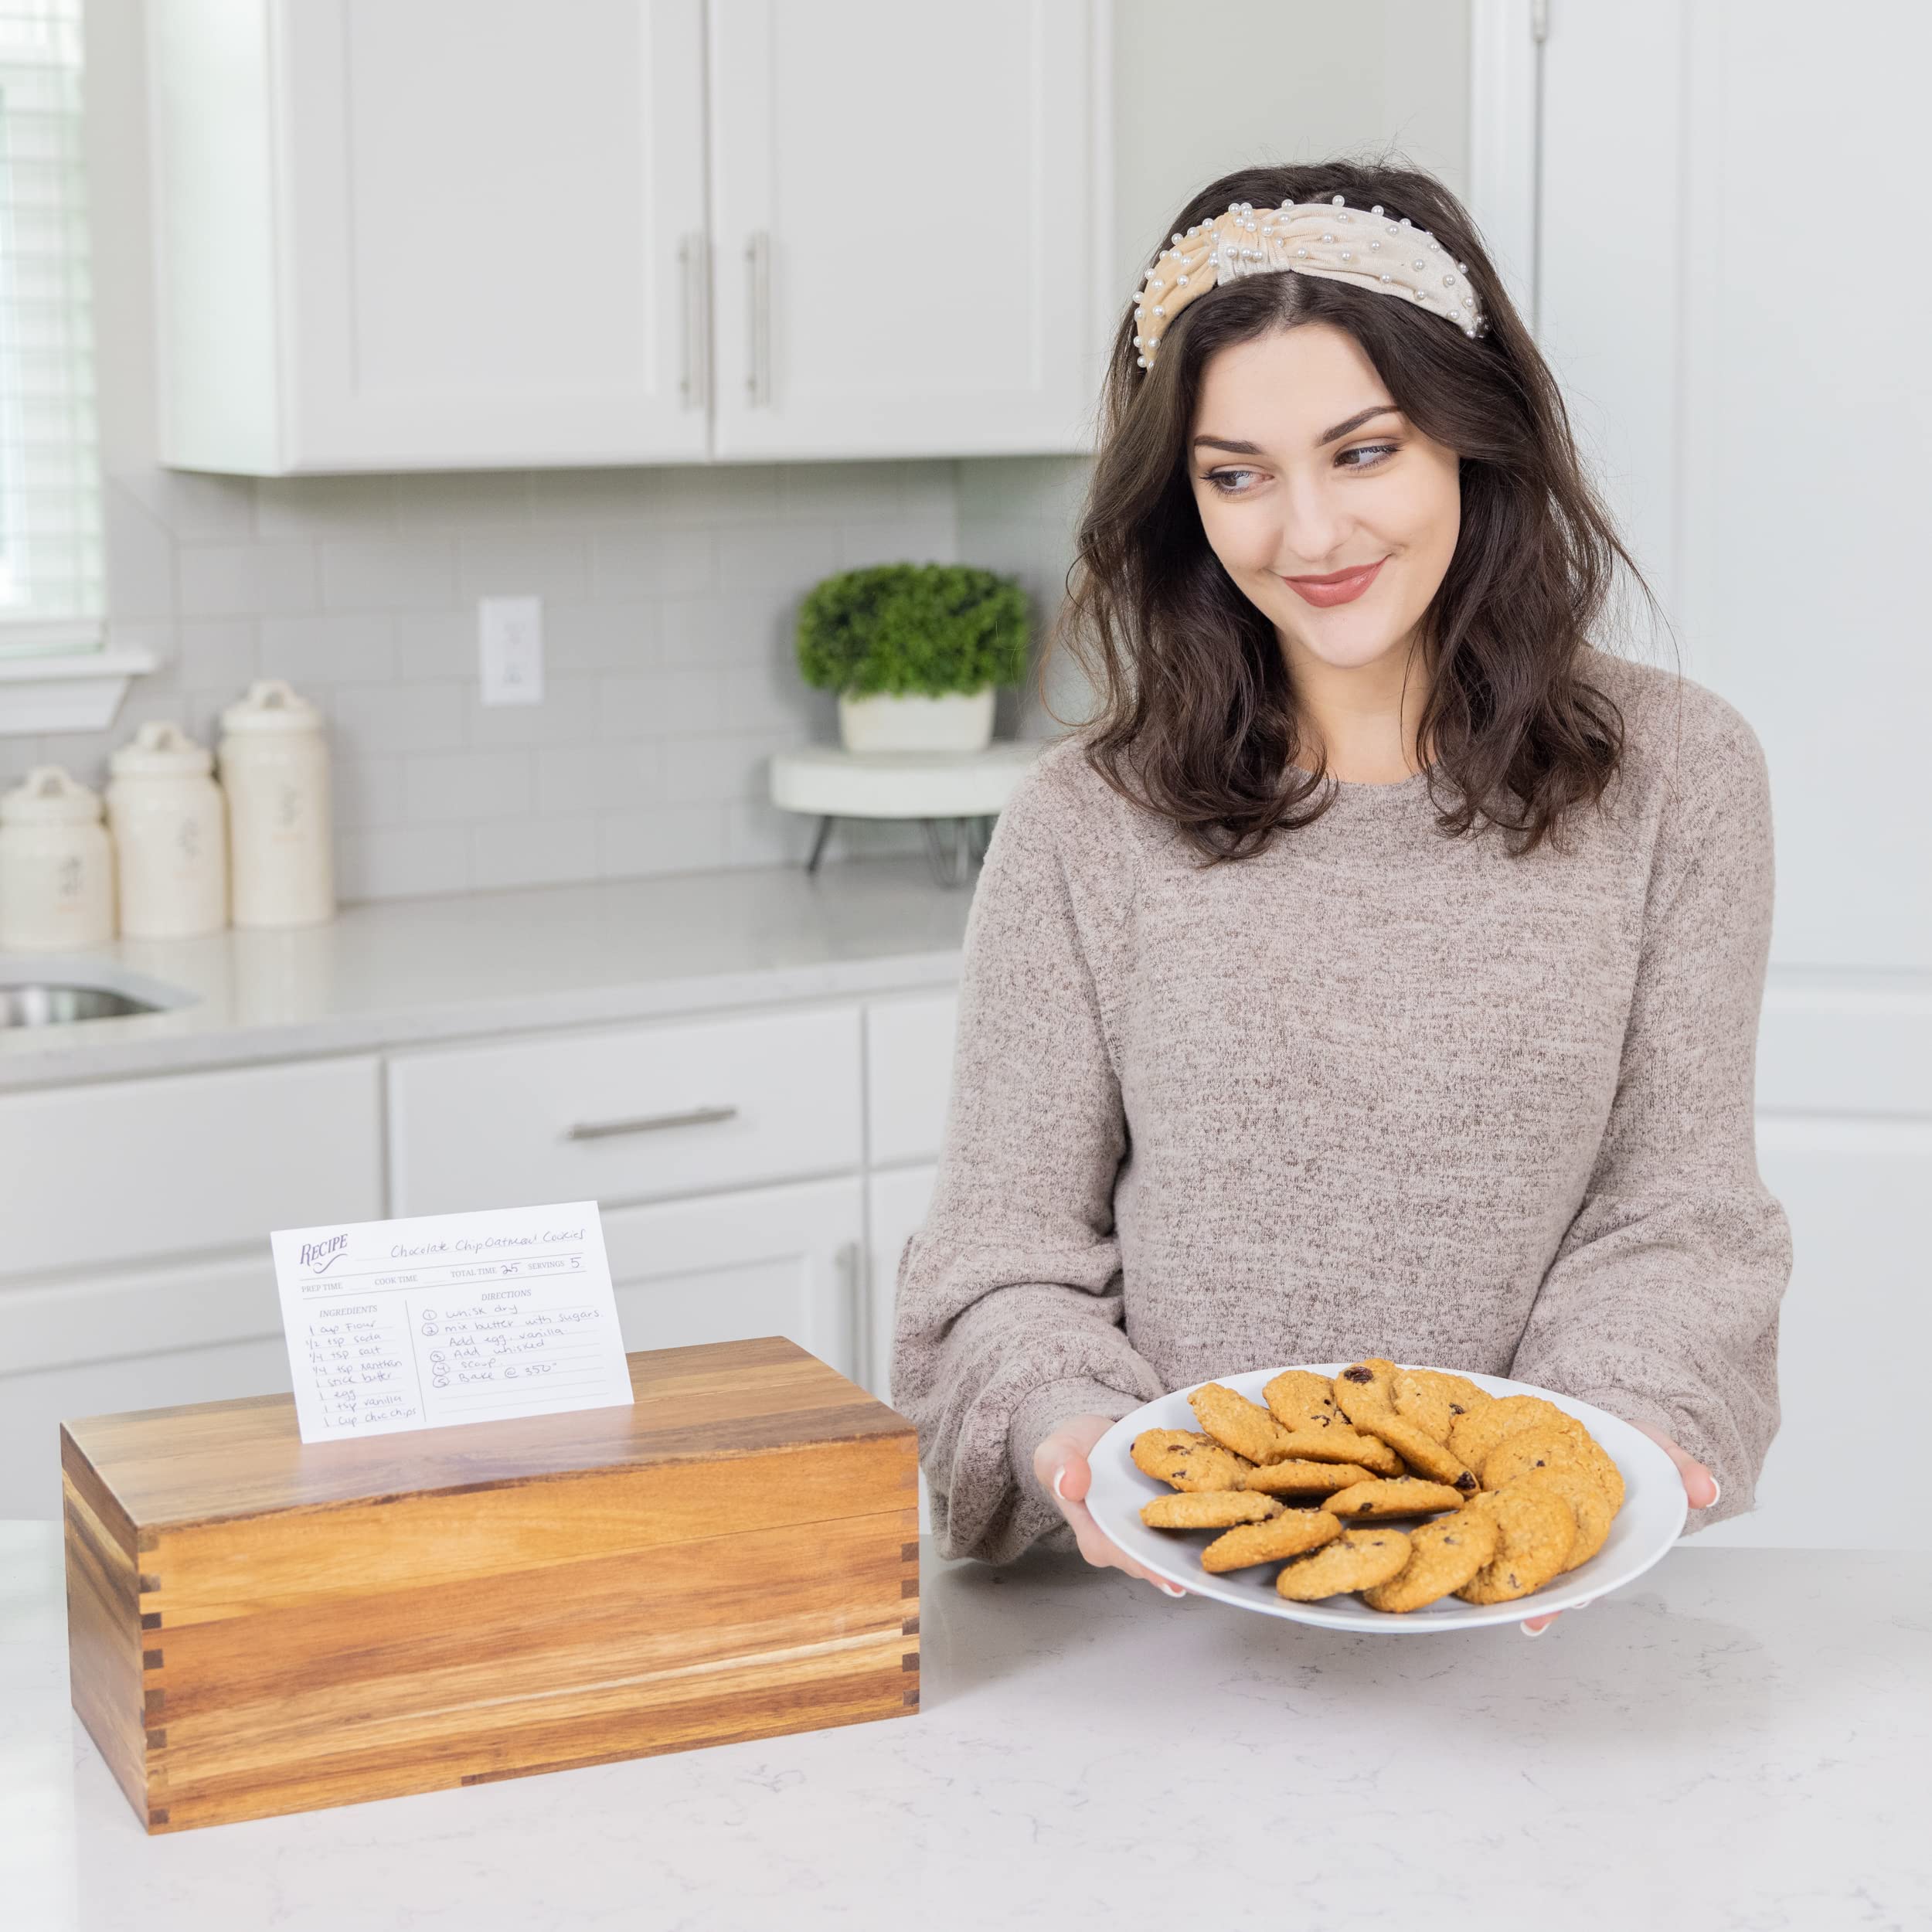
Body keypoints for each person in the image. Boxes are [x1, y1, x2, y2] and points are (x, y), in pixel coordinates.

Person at [888, 160, 1791, 1634]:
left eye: (1362, 452)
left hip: (1540, 1617)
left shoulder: (1681, 776)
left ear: (1472, 437)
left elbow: (1677, 1221)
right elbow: (1003, 1267)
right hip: (1155, 1623)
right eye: (1235, 473)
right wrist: (1065, 1436)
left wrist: (1578, 1470)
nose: (1305, 535)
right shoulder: (1083, 824)